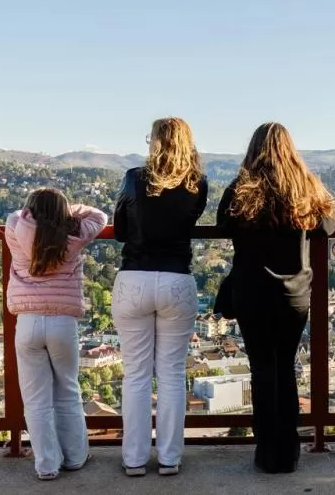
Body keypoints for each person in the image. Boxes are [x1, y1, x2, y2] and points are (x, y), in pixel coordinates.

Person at [217, 122, 335, 474]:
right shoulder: (305, 189)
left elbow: (223, 224)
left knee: (261, 370)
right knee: (285, 369)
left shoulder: (241, 189)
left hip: (251, 293)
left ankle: (267, 451)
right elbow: (330, 224)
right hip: (293, 295)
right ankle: (288, 451)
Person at [112, 117, 208, 477]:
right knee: (171, 373)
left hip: (134, 277)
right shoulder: (198, 183)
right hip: (176, 279)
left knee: (135, 374)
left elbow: (121, 231)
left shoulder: (134, 178)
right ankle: (169, 458)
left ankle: (134, 459)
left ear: (153, 141)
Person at [5, 188, 107, 481]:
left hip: (27, 322)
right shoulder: (75, 235)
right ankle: (75, 457)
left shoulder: (15, 228)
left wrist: (36, 211)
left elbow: (14, 215)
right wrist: (67, 211)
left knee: (36, 398)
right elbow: (99, 215)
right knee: (68, 390)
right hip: (63, 322)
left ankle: (47, 464)